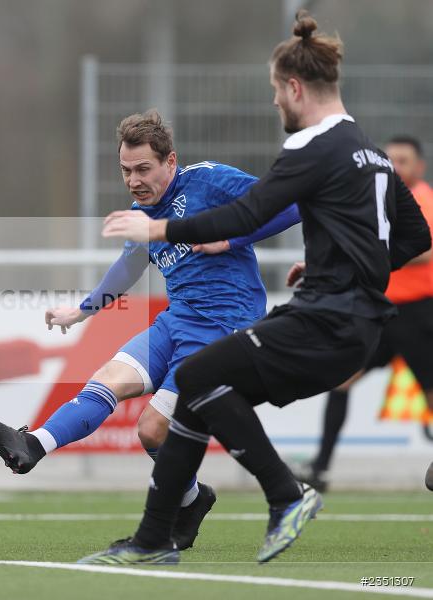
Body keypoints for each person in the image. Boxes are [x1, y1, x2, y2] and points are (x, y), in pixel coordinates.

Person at [78, 11, 431, 566]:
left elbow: (247, 213)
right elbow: (415, 236)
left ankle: (287, 494)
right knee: (199, 389)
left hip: (328, 321)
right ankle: (153, 541)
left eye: (275, 91)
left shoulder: (313, 149)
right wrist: (330, 269)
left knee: (197, 375)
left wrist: (159, 229)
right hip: (353, 318)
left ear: (295, 88)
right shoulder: (369, 151)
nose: (273, 103)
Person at [0, 109, 299, 551]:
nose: (134, 180)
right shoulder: (141, 213)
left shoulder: (209, 181)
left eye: (144, 169)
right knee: (106, 381)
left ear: (171, 161)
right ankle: (32, 446)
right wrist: (83, 312)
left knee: (151, 431)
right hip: (177, 320)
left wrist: (232, 238)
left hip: (223, 329)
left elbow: (293, 205)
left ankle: (195, 501)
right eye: (126, 170)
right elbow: (128, 265)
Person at [293, 135, 433, 492]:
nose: (396, 166)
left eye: (404, 160)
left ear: (419, 167)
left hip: (421, 313)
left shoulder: (423, 199)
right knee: (342, 378)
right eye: (391, 160)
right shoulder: (378, 200)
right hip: (384, 312)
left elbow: (423, 247)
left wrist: (372, 252)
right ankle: (320, 468)